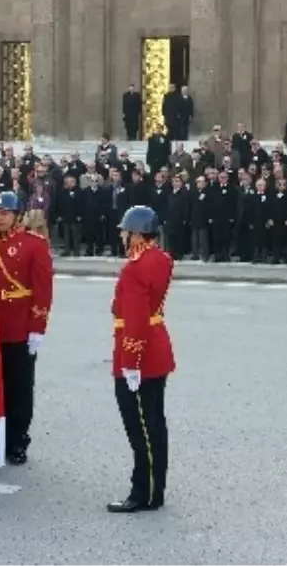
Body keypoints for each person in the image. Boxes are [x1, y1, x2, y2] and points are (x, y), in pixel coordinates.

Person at [0, 191, 54, 465]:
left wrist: (37, 327)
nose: (0, 218)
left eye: (5, 213)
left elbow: (43, 289)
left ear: (17, 215)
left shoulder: (34, 244)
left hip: (19, 325)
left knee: (19, 388)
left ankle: (18, 440)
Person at [106, 205, 175, 514]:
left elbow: (134, 319)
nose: (122, 236)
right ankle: (156, 489)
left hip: (139, 354)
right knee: (155, 424)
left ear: (134, 233)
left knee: (141, 429)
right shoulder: (160, 258)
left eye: (124, 231)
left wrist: (130, 364)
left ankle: (142, 493)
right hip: (157, 344)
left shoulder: (134, 268)